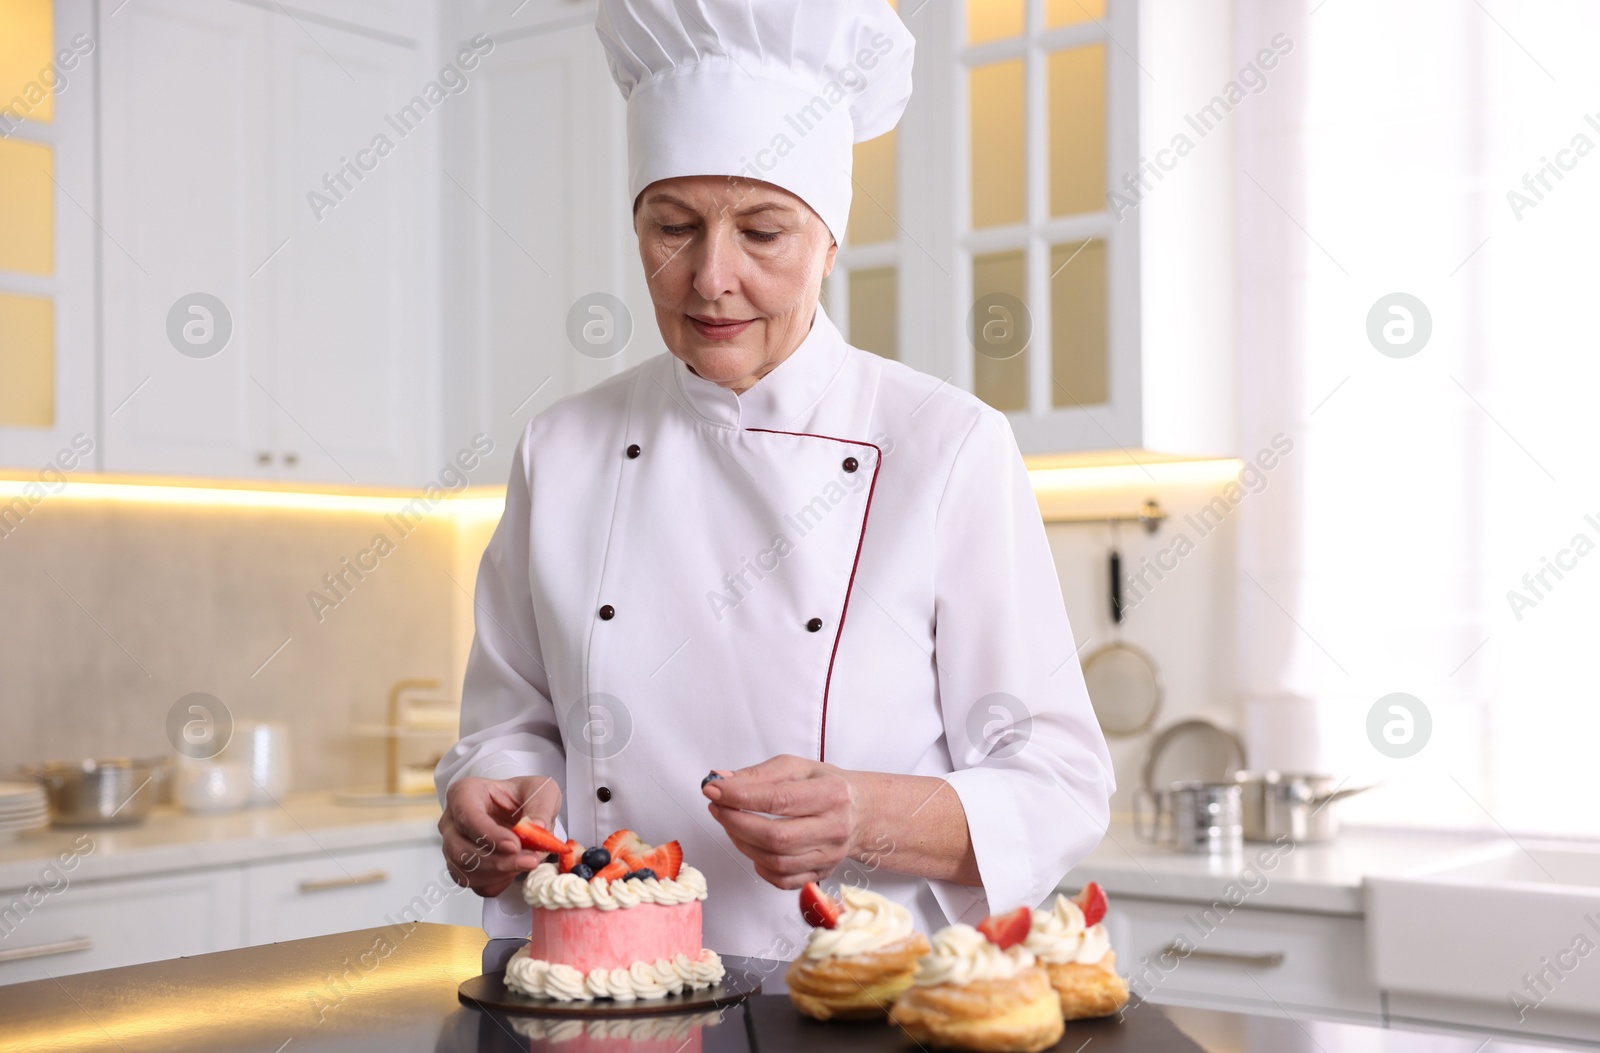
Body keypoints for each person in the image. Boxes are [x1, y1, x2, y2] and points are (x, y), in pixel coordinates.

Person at [434, 0, 1114, 960]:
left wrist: (866, 816)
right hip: (606, 984)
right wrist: (495, 795)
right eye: (673, 226)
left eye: (763, 232)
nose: (711, 278)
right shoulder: (563, 447)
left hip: (851, 991)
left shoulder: (946, 444)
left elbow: (1060, 780)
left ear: (829, 242)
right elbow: (511, 723)